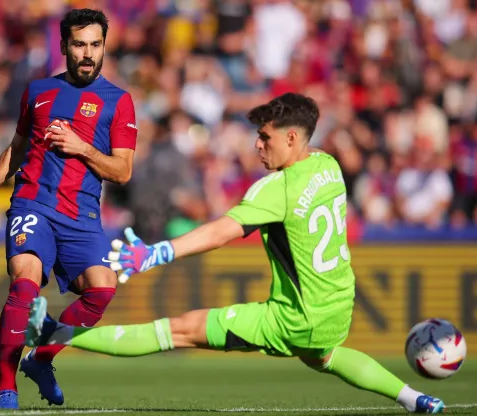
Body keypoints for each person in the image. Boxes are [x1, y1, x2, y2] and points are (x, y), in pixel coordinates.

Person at [26, 93, 447, 414]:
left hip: (291, 319)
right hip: (337, 309)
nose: (258, 146)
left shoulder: (276, 188)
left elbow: (221, 232)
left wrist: (158, 253)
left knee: (176, 331)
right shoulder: (329, 167)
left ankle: (55, 333)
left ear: (292, 137)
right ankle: (415, 399)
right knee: (327, 356)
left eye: (265, 138)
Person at [0, 8, 137, 410]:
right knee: (24, 281)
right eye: (79, 44)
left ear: (104, 47)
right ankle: (6, 388)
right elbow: (18, 146)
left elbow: (123, 170)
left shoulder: (119, 101)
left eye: (95, 45)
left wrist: (82, 148)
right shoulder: (38, 91)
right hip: (33, 202)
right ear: (64, 46)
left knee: (103, 288)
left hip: (82, 216)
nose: (87, 53)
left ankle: (41, 359)